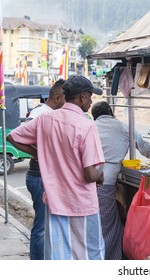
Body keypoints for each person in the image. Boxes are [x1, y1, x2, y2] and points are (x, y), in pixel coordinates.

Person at [7, 76, 105, 260]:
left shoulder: (45, 119)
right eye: (91, 96)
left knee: (59, 255)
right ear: (82, 96)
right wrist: (100, 174)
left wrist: (37, 153)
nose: (91, 101)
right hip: (82, 204)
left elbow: (13, 137)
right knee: (91, 255)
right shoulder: (87, 125)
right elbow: (91, 174)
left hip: (55, 202)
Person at [91, 100, 150, 260]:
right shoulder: (125, 127)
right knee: (106, 226)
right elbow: (149, 150)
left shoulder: (90, 128)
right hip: (104, 184)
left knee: (93, 225)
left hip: (87, 182)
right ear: (111, 112)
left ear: (95, 116)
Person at [24, 79, 65, 260]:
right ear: (57, 98)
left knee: (48, 227)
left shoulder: (49, 113)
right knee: (41, 228)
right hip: (40, 177)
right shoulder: (40, 113)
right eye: (66, 97)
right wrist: (39, 153)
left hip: (44, 178)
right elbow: (18, 136)